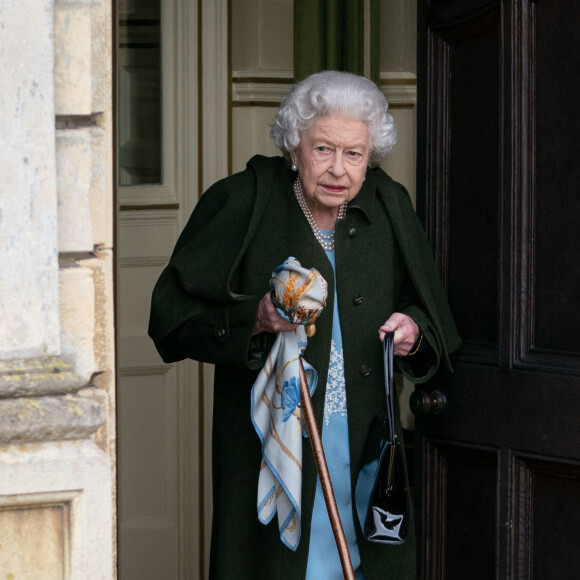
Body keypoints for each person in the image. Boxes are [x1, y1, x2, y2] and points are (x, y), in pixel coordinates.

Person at [148, 70, 461, 579]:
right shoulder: (244, 200)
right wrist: (257, 316)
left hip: (361, 442)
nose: (339, 169)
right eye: (323, 149)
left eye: (354, 154)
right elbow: (169, 317)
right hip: (270, 446)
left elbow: (429, 315)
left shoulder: (389, 206)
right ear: (295, 146)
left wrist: (413, 329)